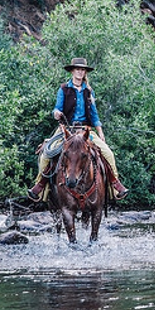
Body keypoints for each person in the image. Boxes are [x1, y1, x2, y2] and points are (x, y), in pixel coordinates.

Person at [28, 57, 129, 202]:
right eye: (78, 69)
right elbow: (57, 108)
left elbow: (94, 114)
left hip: (86, 131)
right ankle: (39, 186)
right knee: (46, 154)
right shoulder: (64, 89)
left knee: (108, 154)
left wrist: (100, 131)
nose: (80, 72)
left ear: (85, 72)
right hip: (66, 130)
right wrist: (56, 113)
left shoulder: (89, 91)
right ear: (72, 71)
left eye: (82, 70)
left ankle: (115, 186)